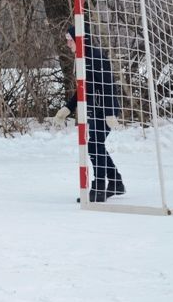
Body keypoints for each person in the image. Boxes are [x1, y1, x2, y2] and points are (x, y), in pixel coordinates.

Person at [54, 25, 126, 202]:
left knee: (94, 146)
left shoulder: (95, 57)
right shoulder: (81, 58)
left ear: (79, 39)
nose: (68, 43)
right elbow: (83, 90)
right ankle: (116, 182)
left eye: (70, 39)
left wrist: (110, 112)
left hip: (105, 110)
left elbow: (108, 85)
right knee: (96, 145)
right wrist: (67, 109)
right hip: (96, 109)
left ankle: (99, 188)